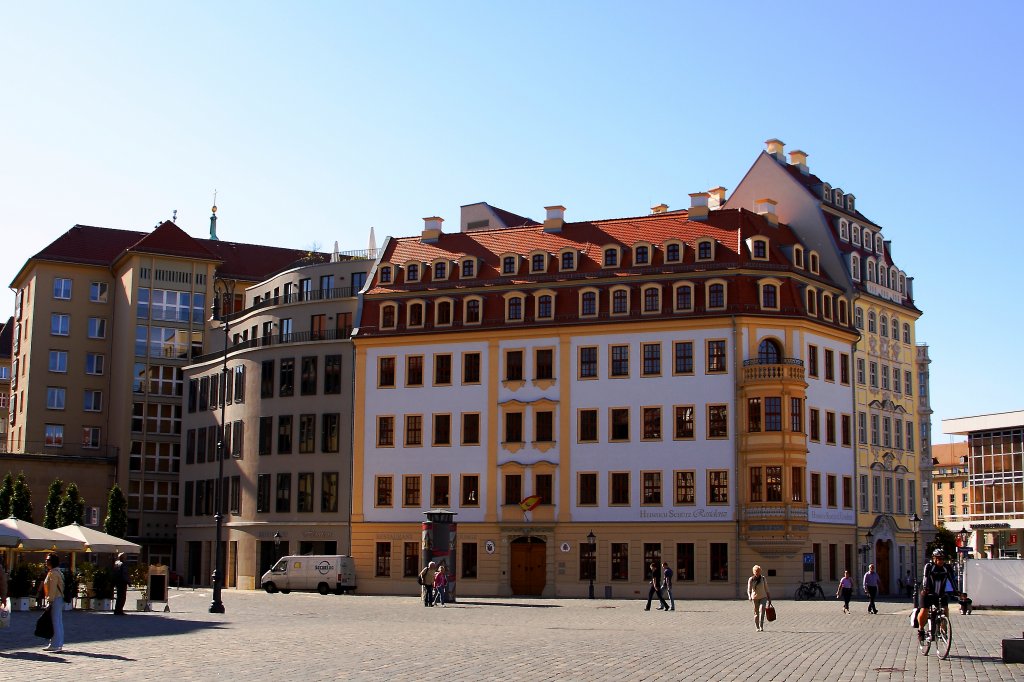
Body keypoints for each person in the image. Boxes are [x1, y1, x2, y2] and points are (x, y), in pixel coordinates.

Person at [918, 549, 956, 641]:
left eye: (942, 559)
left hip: (940, 593)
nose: (941, 561)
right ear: (934, 559)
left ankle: (943, 630)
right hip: (926, 592)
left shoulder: (947, 567)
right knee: (924, 610)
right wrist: (925, 589)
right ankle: (921, 629)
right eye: (938, 559)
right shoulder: (929, 566)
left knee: (945, 609)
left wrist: (956, 590)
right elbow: (925, 579)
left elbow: (952, 579)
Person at [43, 553, 65, 652]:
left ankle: (55, 644)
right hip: (59, 598)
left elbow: (52, 589)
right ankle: (58, 642)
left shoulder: (53, 573)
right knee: (58, 621)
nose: (46, 562)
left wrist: (49, 601)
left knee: (55, 621)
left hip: (55, 598)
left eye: (48, 560)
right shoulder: (58, 572)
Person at [747, 564, 771, 632]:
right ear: (753, 572)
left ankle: (761, 626)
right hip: (755, 598)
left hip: (763, 597)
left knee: (762, 610)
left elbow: (766, 588)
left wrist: (769, 597)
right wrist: (749, 596)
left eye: (758, 571)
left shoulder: (763, 578)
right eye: (756, 571)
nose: (757, 573)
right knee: (756, 613)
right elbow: (749, 589)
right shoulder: (751, 579)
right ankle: (757, 626)